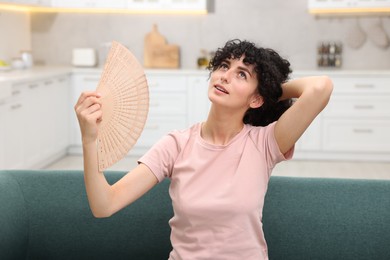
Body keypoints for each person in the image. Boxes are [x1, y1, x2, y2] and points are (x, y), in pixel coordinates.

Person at [74, 39, 333, 260]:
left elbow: (320, 88)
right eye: (223, 66)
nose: (225, 76)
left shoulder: (264, 143)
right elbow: (104, 205)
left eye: (242, 74)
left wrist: (266, 93)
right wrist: (89, 140)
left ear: (256, 98)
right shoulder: (176, 144)